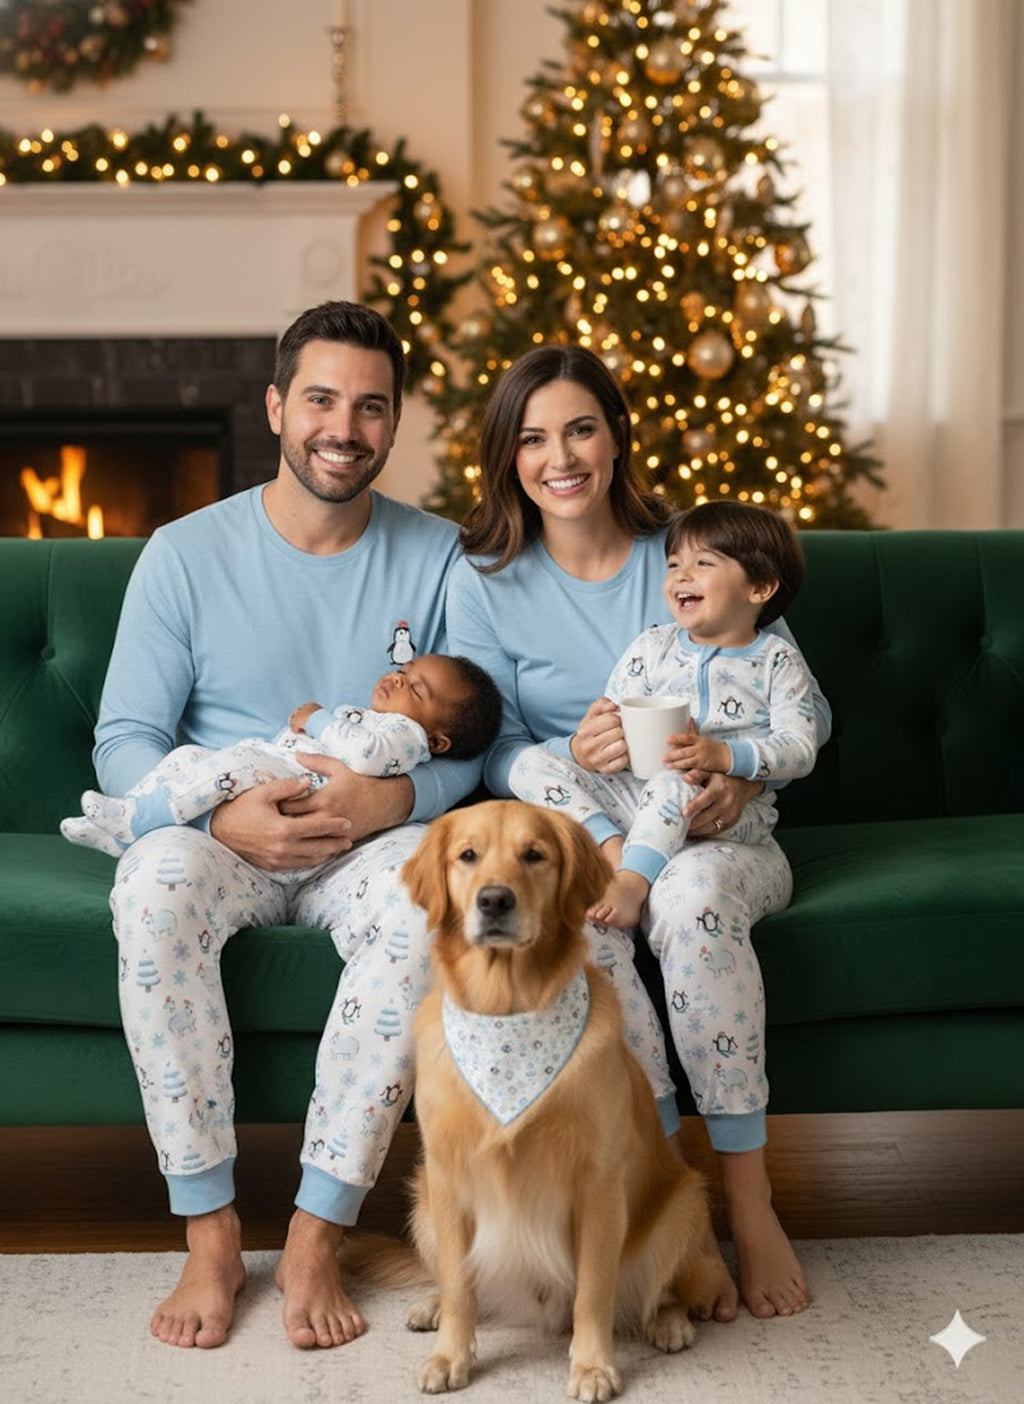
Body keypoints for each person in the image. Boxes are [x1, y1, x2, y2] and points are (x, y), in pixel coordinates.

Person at [93, 300, 486, 1352]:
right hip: (221, 836)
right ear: (275, 407)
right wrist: (223, 816)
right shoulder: (183, 554)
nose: (342, 429)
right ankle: (211, 1234)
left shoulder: (445, 558)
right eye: (320, 400)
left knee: (425, 907)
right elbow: (125, 740)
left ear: (394, 422)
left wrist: (388, 801)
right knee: (150, 887)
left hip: (369, 843)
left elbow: (480, 745)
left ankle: (317, 1231)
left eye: (370, 407)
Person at [445, 344, 832, 1320]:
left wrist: (738, 776)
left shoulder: (690, 554)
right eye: (533, 439)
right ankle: (673, 1204)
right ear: (508, 456)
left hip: (709, 827)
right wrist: (574, 749)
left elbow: (782, 699)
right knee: (576, 869)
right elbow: (493, 751)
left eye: (580, 429)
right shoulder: (484, 578)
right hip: (599, 827)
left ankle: (749, 1202)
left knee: (692, 899)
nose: (560, 458)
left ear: (616, 437)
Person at [509, 501, 818, 929]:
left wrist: (725, 757)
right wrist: (598, 737)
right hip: (635, 804)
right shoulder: (652, 647)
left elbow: (801, 748)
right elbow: (616, 710)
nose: (681, 576)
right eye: (674, 564)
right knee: (529, 763)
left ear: (760, 587)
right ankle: (614, 853)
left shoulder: (776, 661)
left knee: (675, 780)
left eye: (703, 563)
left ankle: (633, 882)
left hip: (717, 813)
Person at [62, 653, 500, 858]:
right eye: (403, 671)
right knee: (188, 758)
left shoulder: (407, 737)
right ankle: (130, 818)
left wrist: (319, 719)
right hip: (274, 768)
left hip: (297, 785)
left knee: (226, 769)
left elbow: (367, 755)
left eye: (416, 689)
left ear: (438, 742)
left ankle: (139, 821)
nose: (399, 680)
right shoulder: (380, 718)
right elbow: (127, 733)